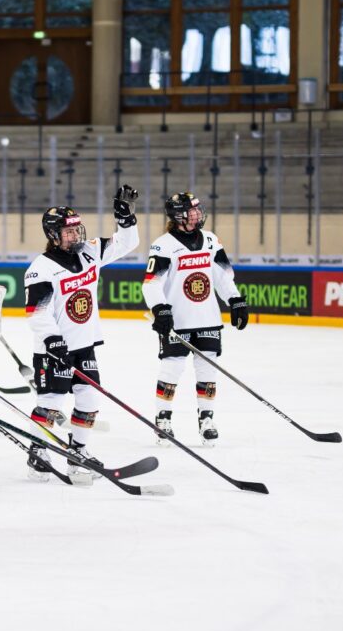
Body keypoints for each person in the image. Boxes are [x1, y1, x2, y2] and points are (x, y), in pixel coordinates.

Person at [22, 186, 139, 481]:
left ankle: (78, 453)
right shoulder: (41, 268)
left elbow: (128, 244)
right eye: (69, 232)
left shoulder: (90, 252)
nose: (76, 236)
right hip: (53, 350)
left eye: (77, 229)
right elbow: (36, 312)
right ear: (53, 235)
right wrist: (52, 340)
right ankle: (38, 451)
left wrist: (126, 220)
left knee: (89, 400)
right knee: (51, 401)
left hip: (84, 345)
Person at [142, 192, 249, 447]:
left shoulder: (211, 240)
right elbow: (151, 284)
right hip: (177, 321)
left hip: (208, 317)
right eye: (191, 211)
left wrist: (235, 300)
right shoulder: (164, 244)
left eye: (198, 210)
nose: (197, 214)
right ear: (178, 215)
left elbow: (223, 277)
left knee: (208, 370)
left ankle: (206, 419)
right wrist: (161, 309)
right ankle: (163, 418)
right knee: (172, 368)